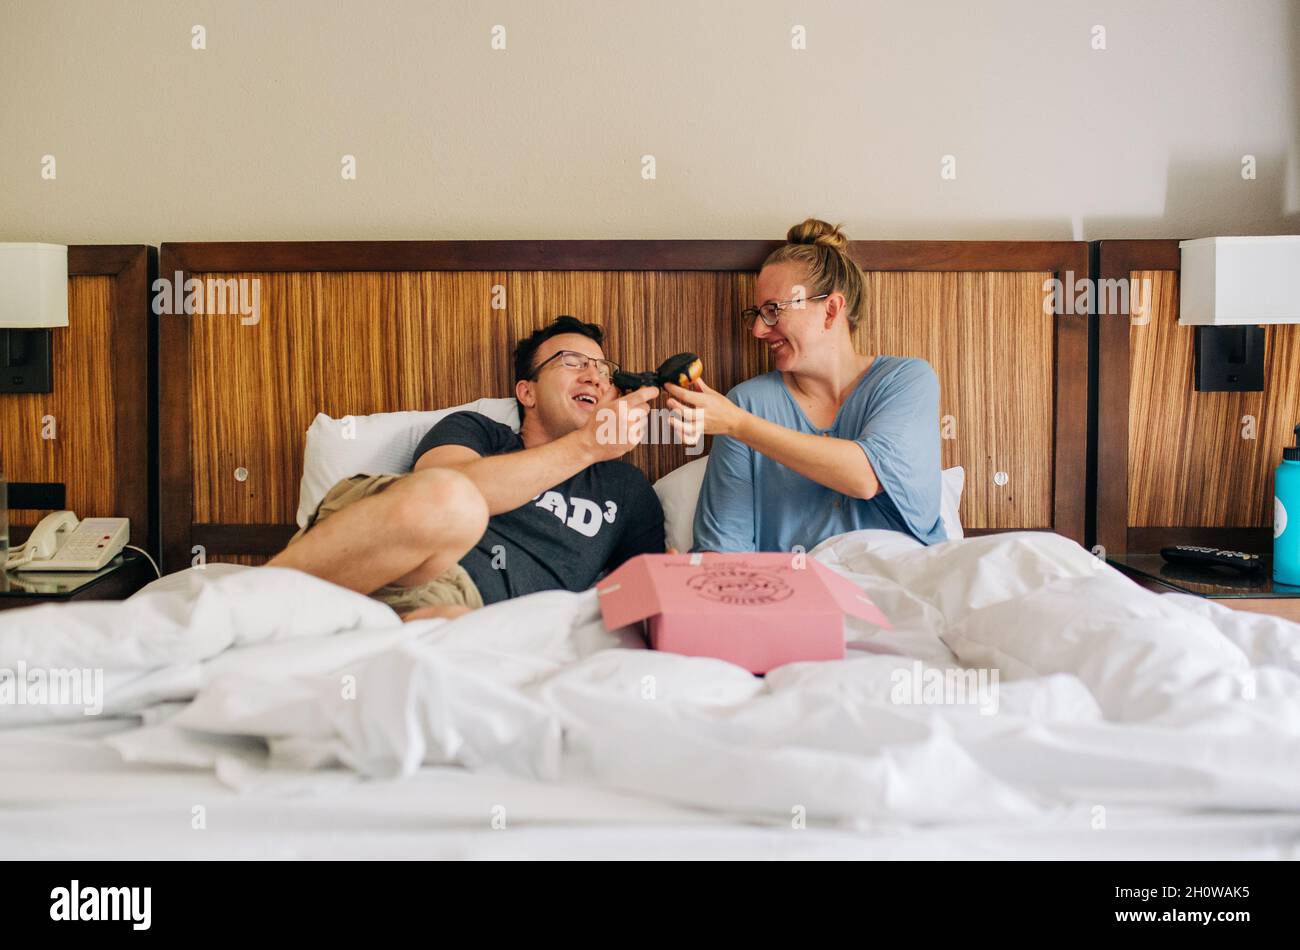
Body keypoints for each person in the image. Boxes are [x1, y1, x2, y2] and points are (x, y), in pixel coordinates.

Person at [269, 316, 666, 621]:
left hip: (458, 606)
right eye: (573, 362)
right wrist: (586, 446)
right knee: (452, 501)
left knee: (453, 651)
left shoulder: (626, 490)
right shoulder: (478, 431)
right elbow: (443, 491)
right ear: (526, 391)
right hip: (382, 542)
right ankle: (251, 600)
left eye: (603, 371)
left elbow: (647, 593)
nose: (593, 377)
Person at [665, 218, 946, 552]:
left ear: (830, 310)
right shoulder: (747, 403)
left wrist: (738, 425)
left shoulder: (906, 381)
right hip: (798, 595)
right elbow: (724, 548)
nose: (757, 330)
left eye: (772, 310)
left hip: (903, 584)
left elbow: (865, 477)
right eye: (755, 314)